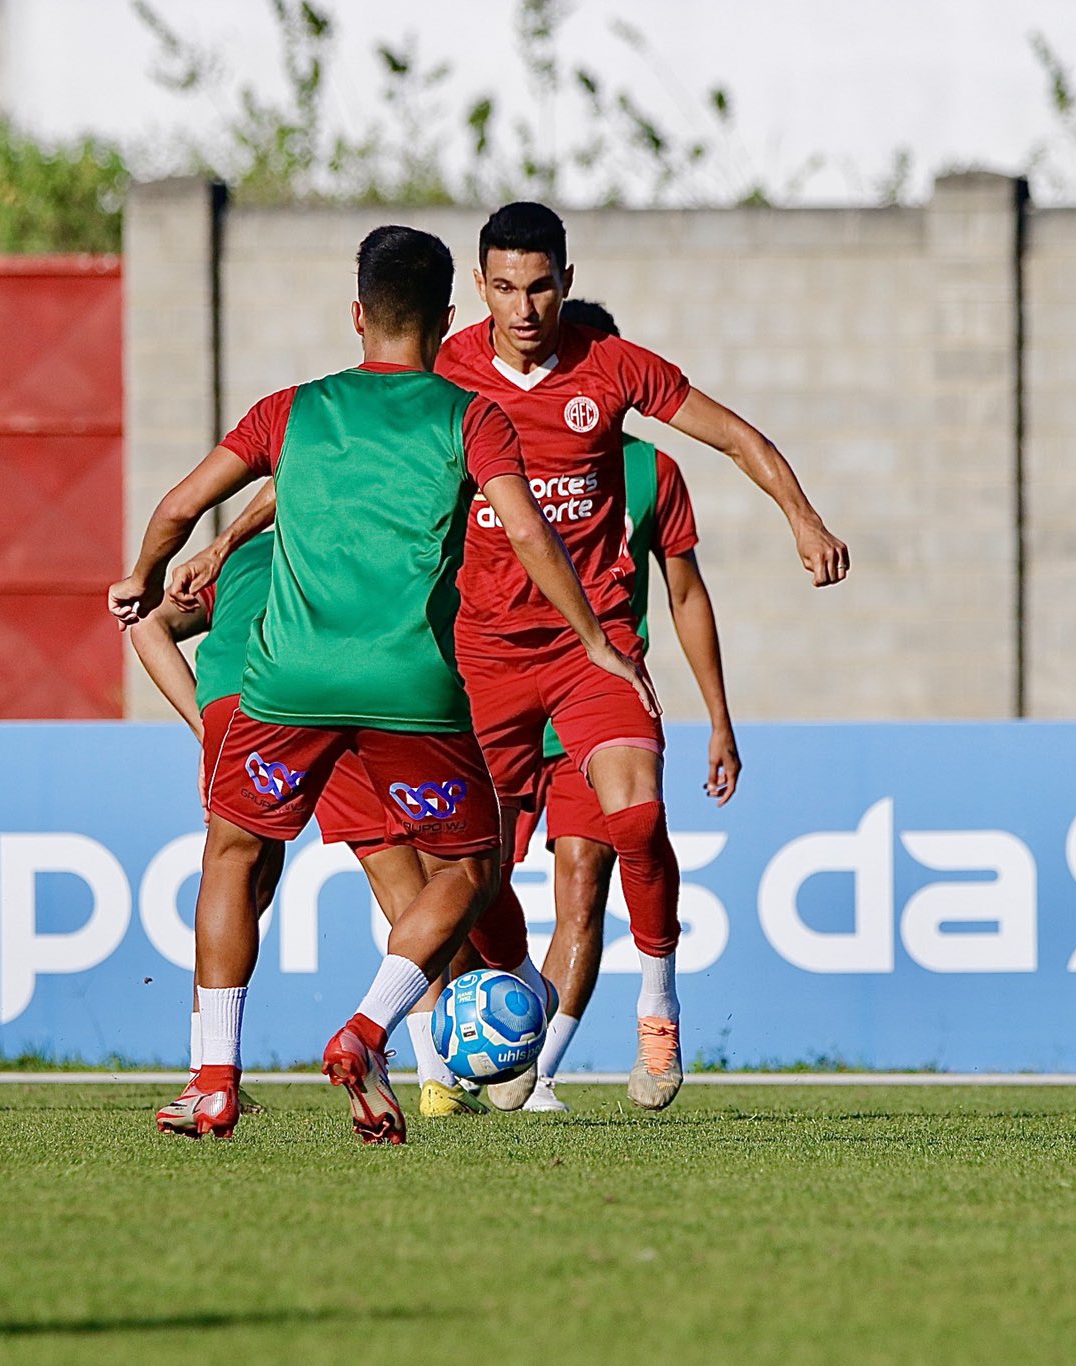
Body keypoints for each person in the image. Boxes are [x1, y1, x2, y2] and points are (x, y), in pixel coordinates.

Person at [182, 204, 849, 1110]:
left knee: (637, 820)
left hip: (591, 652)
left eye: (540, 286)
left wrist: (801, 516)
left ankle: (657, 1012)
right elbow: (329, 471)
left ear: (566, 282)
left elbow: (735, 435)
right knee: (472, 875)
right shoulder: (446, 371)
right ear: (478, 292)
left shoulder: (613, 369)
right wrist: (225, 546)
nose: (524, 306)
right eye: (504, 287)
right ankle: (507, 1010)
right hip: (477, 659)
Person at [109, 225, 650, 1145]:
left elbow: (176, 507)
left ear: (356, 313)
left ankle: (211, 1082)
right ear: (448, 320)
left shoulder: (292, 410)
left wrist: (145, 577)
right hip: (410, 688)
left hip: (286, 687)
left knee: (233, 855)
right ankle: (366, 1029)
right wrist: (595, 638)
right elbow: (526, 534)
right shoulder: (468, 416)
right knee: (472, 871)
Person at [129, 528, 487, 1125]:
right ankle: (435, 1076)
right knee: (407, 887)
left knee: (235, 880)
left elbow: (146, 624)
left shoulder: (237, 555)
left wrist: (204, 727)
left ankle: (209, 1074)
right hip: (333, 695)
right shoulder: (356, 541)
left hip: (241, 706)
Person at [488, 300, 741, 1112]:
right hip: (499, 673)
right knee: (470, 875)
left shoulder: (652, 473)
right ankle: (496, 1035)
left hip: (600, 685)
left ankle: (564, 1062)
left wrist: (719, 720)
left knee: (588, 872)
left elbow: (687, 594)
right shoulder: (484, 443)